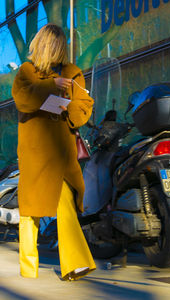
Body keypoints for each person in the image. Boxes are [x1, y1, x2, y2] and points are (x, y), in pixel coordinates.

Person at [12, 23, 96, 280]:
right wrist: (52, 86)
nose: (56, 50)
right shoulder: (27, 71)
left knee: (65, 202)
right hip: (35, 150)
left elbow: (84, 106)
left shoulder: (72, 72)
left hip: (60, 151)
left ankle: (76, 263)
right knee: (30, 209)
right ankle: (29, 269)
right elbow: (22, 99)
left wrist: (67, 108)